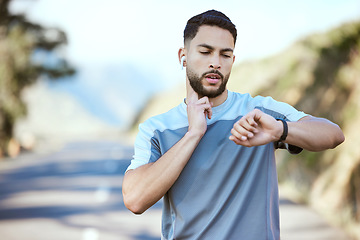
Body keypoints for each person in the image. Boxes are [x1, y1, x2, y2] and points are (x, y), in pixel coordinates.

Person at [122, 10, 345, 240]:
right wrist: (193, 133)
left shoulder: (258, 112)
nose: (216, 63)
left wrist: (280, 130)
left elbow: (333, 134)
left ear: (233, 61)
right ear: (183, 56)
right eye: (205, 52)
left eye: (225, 55)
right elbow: (135, 199)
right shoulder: (157, 129)